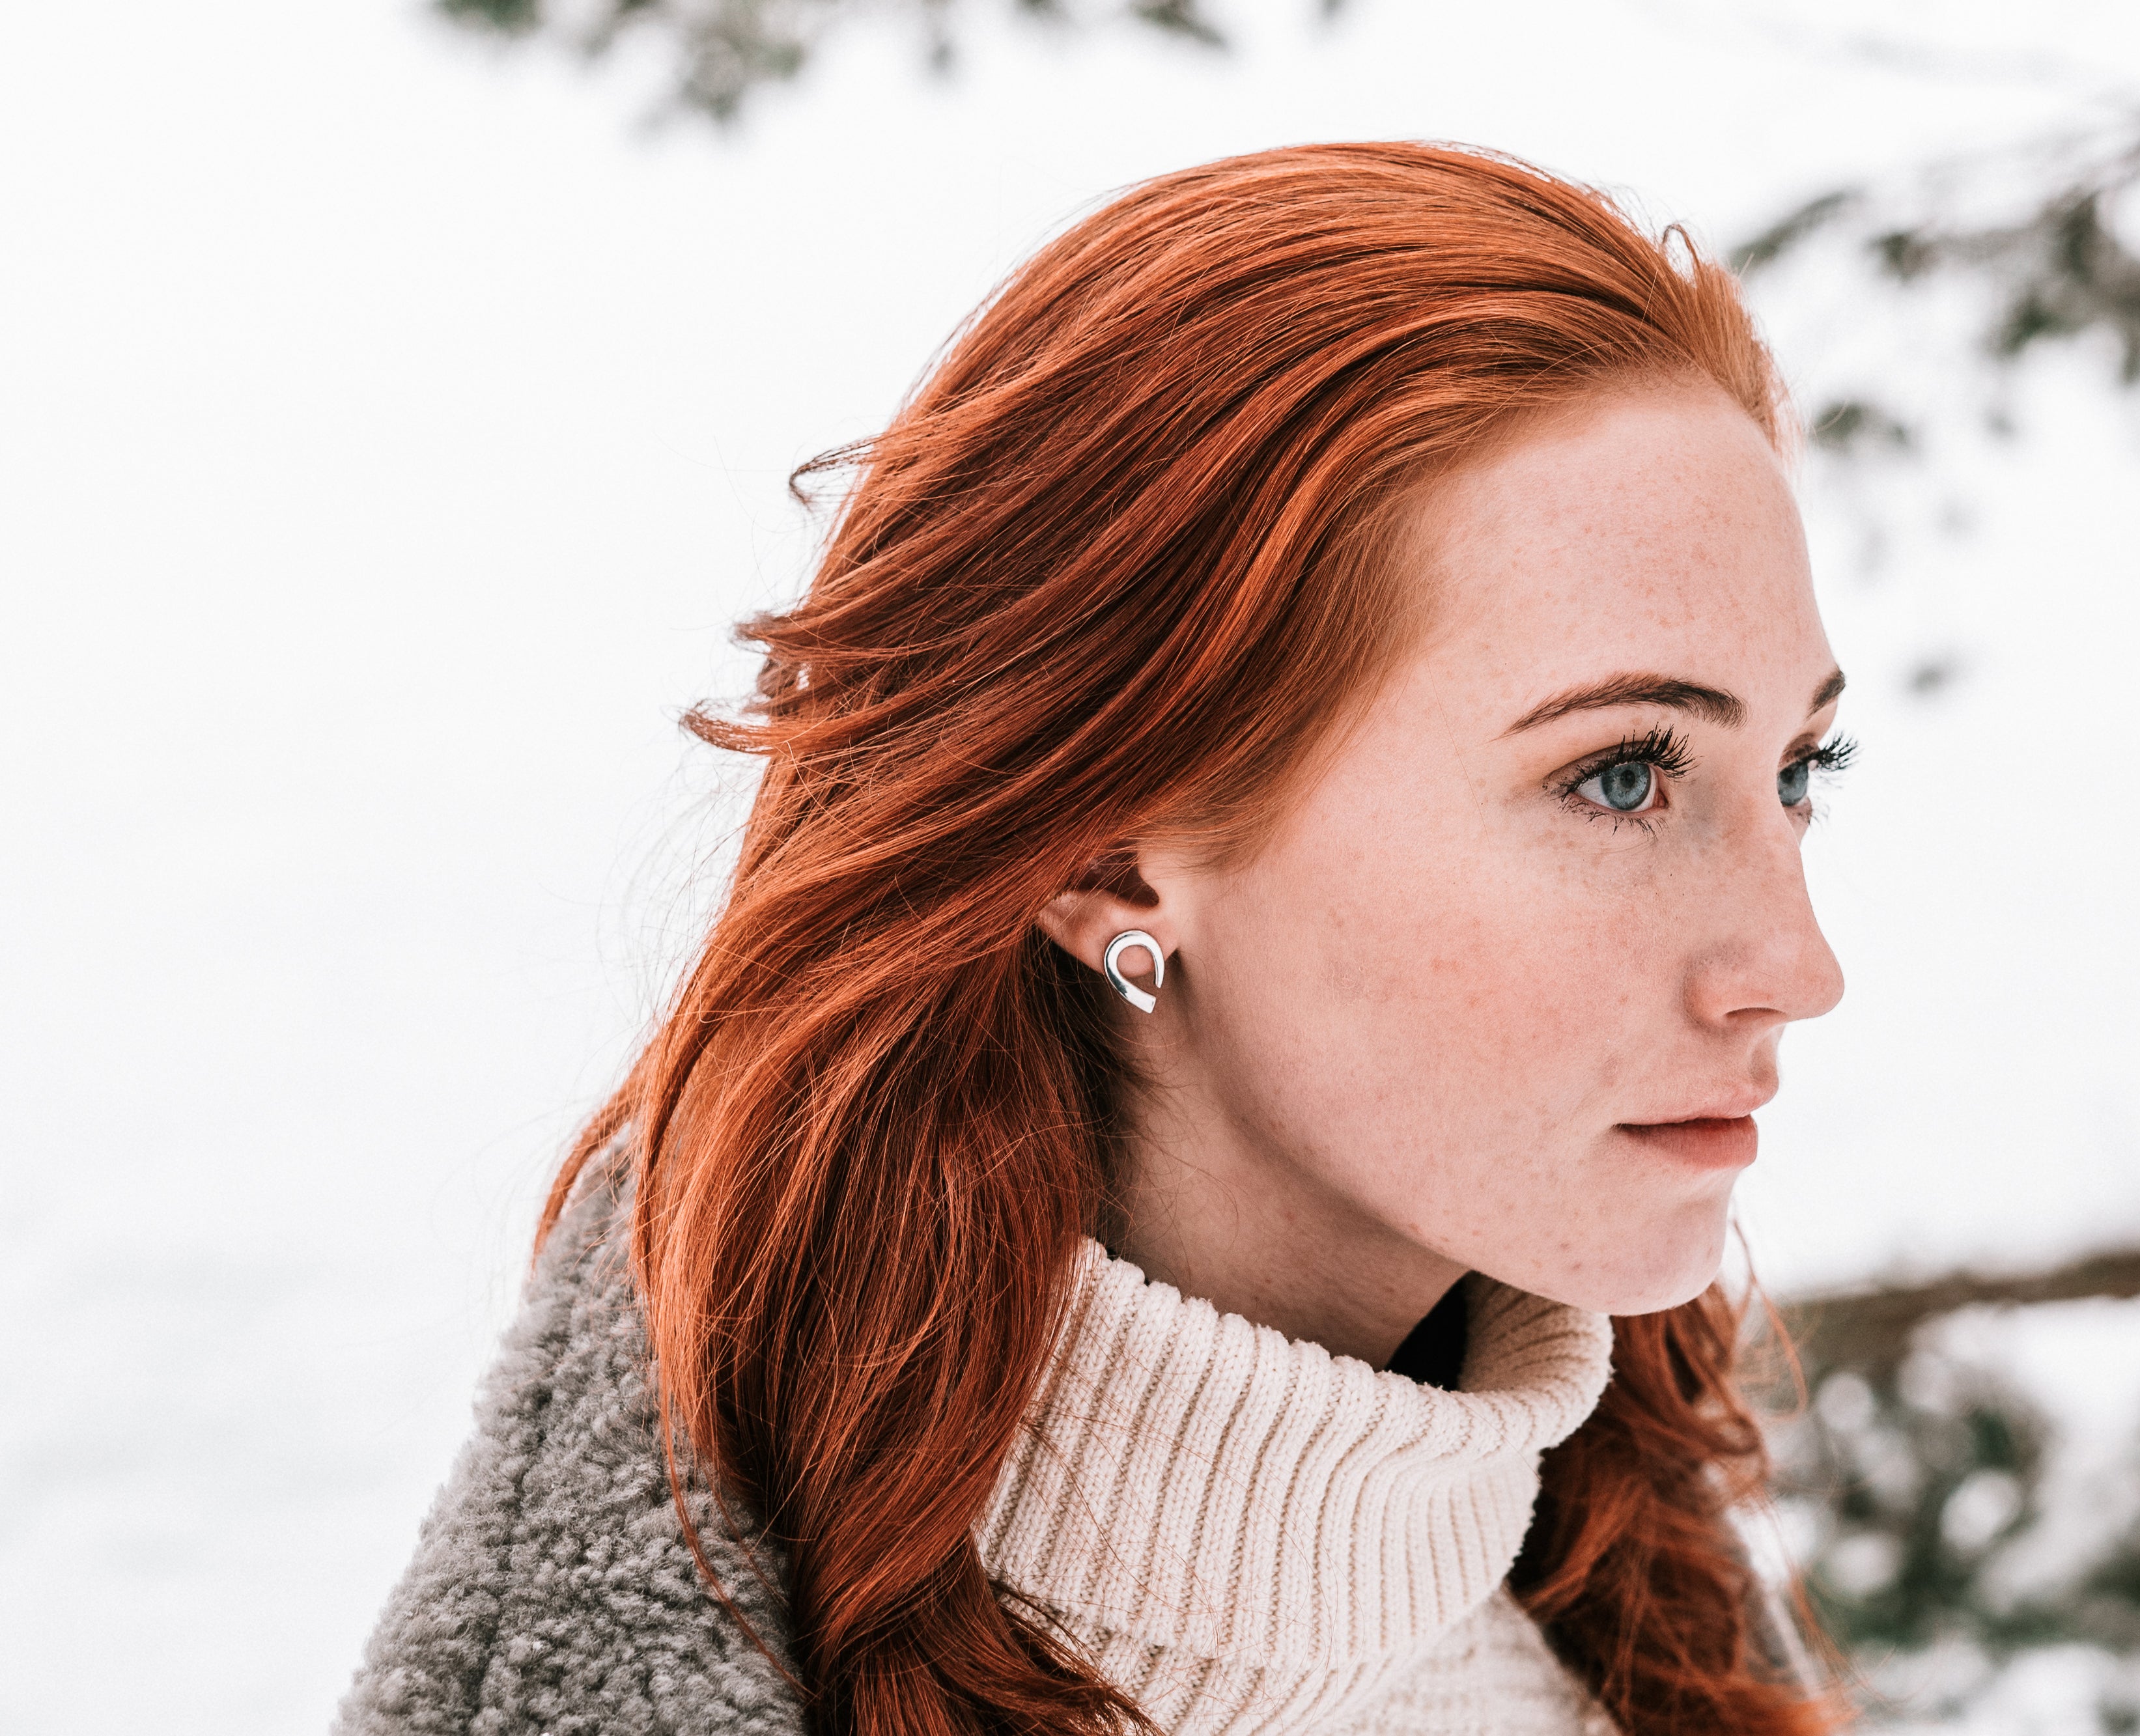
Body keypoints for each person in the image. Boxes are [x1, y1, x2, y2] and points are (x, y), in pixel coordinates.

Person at [335, 141, 1853, 1736]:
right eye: (1617, 777)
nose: (1797, 965)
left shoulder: (1617, 1597)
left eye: (1799, 771)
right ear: (1114, 855)